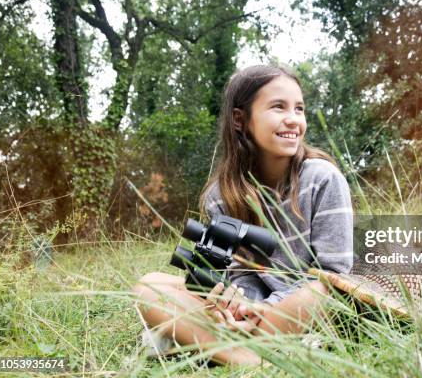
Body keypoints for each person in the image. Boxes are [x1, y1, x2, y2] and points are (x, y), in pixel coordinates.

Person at [132, 65, 353, 366]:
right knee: (149, 285)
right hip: (254, 311)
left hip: (301, 304)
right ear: (240, 119)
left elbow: (336, 275)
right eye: (278, 107)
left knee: (324, 292)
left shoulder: (322, 179)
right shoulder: (221, 196)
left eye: (299, 109)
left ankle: (222, 350)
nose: (293, 119)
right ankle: (250, 355)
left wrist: (263, 310)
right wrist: (231, 304)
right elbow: (232, 275)